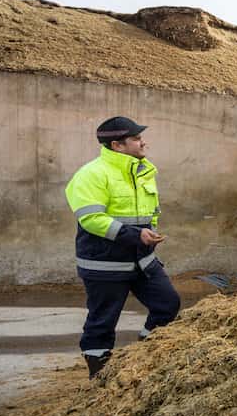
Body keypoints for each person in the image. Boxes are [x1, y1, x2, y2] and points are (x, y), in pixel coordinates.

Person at [65, 116, 181, 378]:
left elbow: (147, 212)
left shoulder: (142, 171)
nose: (143, 142)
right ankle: (100, 377)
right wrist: (135, 235)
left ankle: (146, 356)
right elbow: (91, 219)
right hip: (105, 263)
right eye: (137, 138)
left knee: (167, 304)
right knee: (102, 322)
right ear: (117, 145)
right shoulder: (91, 174)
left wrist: (148, 235)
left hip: (142, 260)